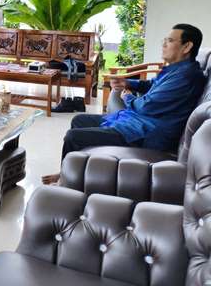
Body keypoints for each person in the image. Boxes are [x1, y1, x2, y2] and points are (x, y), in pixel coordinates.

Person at [42, 24, 205, 185]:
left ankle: (67, 179)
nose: (164, 44)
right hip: (138, 122)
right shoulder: (177, 70)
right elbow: (152, 85)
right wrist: (128, 83)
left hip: (146, 133)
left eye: (169, 40)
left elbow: (146, 106)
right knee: (79, 120)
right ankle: (72, 171)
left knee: (73, 137)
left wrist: (128, 97)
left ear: (187, 47)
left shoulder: (186, 76)